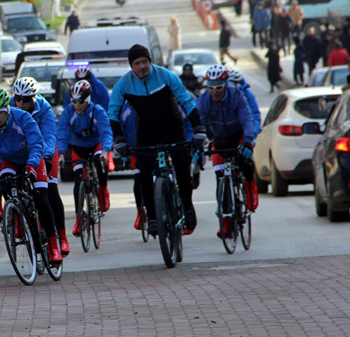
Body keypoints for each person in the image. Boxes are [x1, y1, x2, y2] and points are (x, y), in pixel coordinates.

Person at [108, 44, 207, 236]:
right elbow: (113, 112)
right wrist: (118, 138)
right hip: (147, 131)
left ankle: (187, 206)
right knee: (143, 173)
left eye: (145, 61)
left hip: (173, 127)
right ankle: (152, 217)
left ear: (150, 61)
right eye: (137, 63)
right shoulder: (124, 84)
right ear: (131, 66)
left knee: (181, 168)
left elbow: (186, 101)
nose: (142, 66)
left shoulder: (165, 76)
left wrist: (198, 128)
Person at [0, 88, 62, 264]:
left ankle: (53, 246)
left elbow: (37, 144)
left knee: (41, 198)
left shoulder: (22, 118)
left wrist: (31, 165)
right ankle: (17, 216)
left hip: (32, 158)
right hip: (10, 161)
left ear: (7, 109)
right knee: (5, 183)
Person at [9, 77, 70, 256]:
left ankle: (62, 236)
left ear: (34, 98)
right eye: (17, 98)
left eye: (25, 100)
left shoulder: (44, 109)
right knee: (12, 183)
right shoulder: (9, 107)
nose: (20, 103)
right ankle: (18, 219)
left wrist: (48, 156)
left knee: (50, 191)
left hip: (44, 150)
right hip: (21, 152)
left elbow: (50, 134)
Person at [195, 66, 258, 237]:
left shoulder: (237, 96)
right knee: (220, 179)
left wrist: (247, 141)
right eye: (211, 87)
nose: (214, 92)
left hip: (238, 137)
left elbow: (247, 119)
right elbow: (199, 124)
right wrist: (197, 146)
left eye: (219, 87)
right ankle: (225, 224)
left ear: (226, 84)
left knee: (245, 163)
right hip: (220, 140)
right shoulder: (204, 100)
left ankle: (249, 186)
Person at [57, 80, 113, 236]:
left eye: (81, 101)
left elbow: (106, 132)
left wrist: (105, 151)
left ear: (88, 100)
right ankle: (78, 217)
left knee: (100, 162)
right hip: (78, 146)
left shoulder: (98, 111)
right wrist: (61, 153)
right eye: (74, 101)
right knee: (79, 180)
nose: (77, 105)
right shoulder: (69, 112)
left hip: (96, 143)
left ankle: (102, 189)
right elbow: (62, 132)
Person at [227, 69, 261, 136]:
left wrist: (253, 132)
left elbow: (255, 115)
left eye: (233, 84)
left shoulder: (248, 95)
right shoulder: (216, 94)